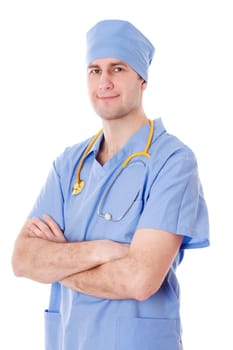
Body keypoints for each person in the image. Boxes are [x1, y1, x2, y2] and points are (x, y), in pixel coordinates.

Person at [11, 19, 209, 350]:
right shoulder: (68, 164)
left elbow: (140, 279)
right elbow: (22, 259)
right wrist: (103, 250)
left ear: (142, 79)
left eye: (117, 68)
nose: (104, 81)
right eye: (94, 70)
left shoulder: (172, 161)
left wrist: (56, 263)